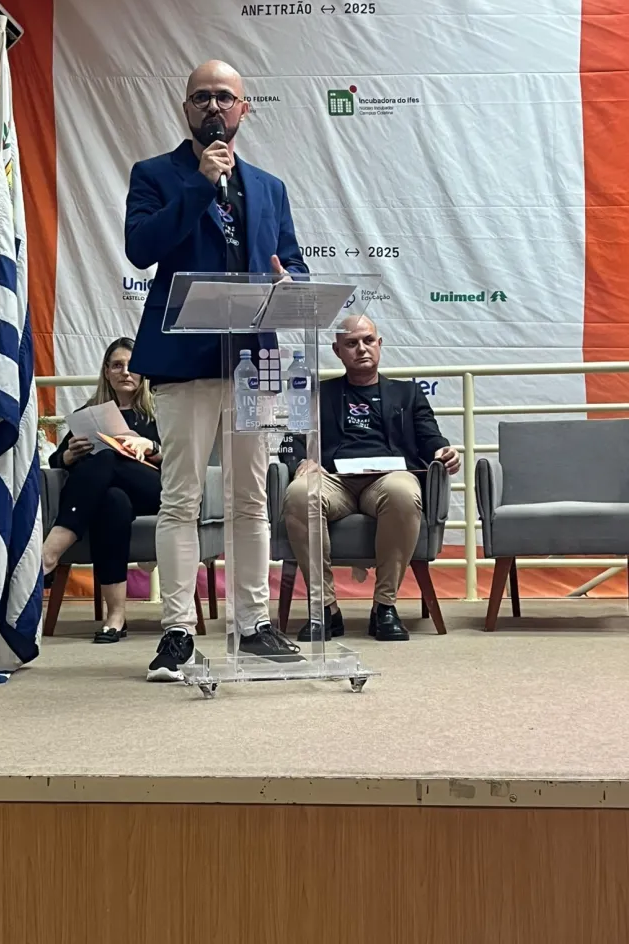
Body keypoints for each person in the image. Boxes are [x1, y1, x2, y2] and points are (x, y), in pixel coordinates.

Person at [125, 59, 309, 682]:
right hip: (183, 361)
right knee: (181, 498)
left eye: (225, 97)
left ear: (243, 110)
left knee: (251, 497)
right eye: (201, 96)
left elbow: (294, 264)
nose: (213, 106)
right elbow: (141, 249)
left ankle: (253, 625)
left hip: (252, 361)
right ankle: (177, 632)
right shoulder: (156, 175)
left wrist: (291, 283)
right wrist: (201, 185)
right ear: (185, 109)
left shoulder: (270, 187)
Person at [279, 316, 461, 642]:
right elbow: (291, 441)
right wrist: (302, 461)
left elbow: (430, 437)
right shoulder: (319, 394)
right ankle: (325, 608)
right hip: (335, 479)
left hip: (387, 477)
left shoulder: (407, 394)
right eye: (351, 343)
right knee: (299, 493)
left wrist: (443, 450)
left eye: (367, 340)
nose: (361, 349)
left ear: (380, 344)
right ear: (338, 351)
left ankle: (384, 607)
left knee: (403, 492)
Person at [43, 337, 162, 643]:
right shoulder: (91, 412)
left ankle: (52, 549)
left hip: (153, 489)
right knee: (112, 502)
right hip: (111, 494)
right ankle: (116, 617)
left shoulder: (159, 409)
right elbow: (57, 460)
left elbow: (183, 456)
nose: (125, 372)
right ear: (106, 372)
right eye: (117, 366)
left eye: (132, 366)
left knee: (107, 457)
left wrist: (149, 446)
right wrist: (70, 455)